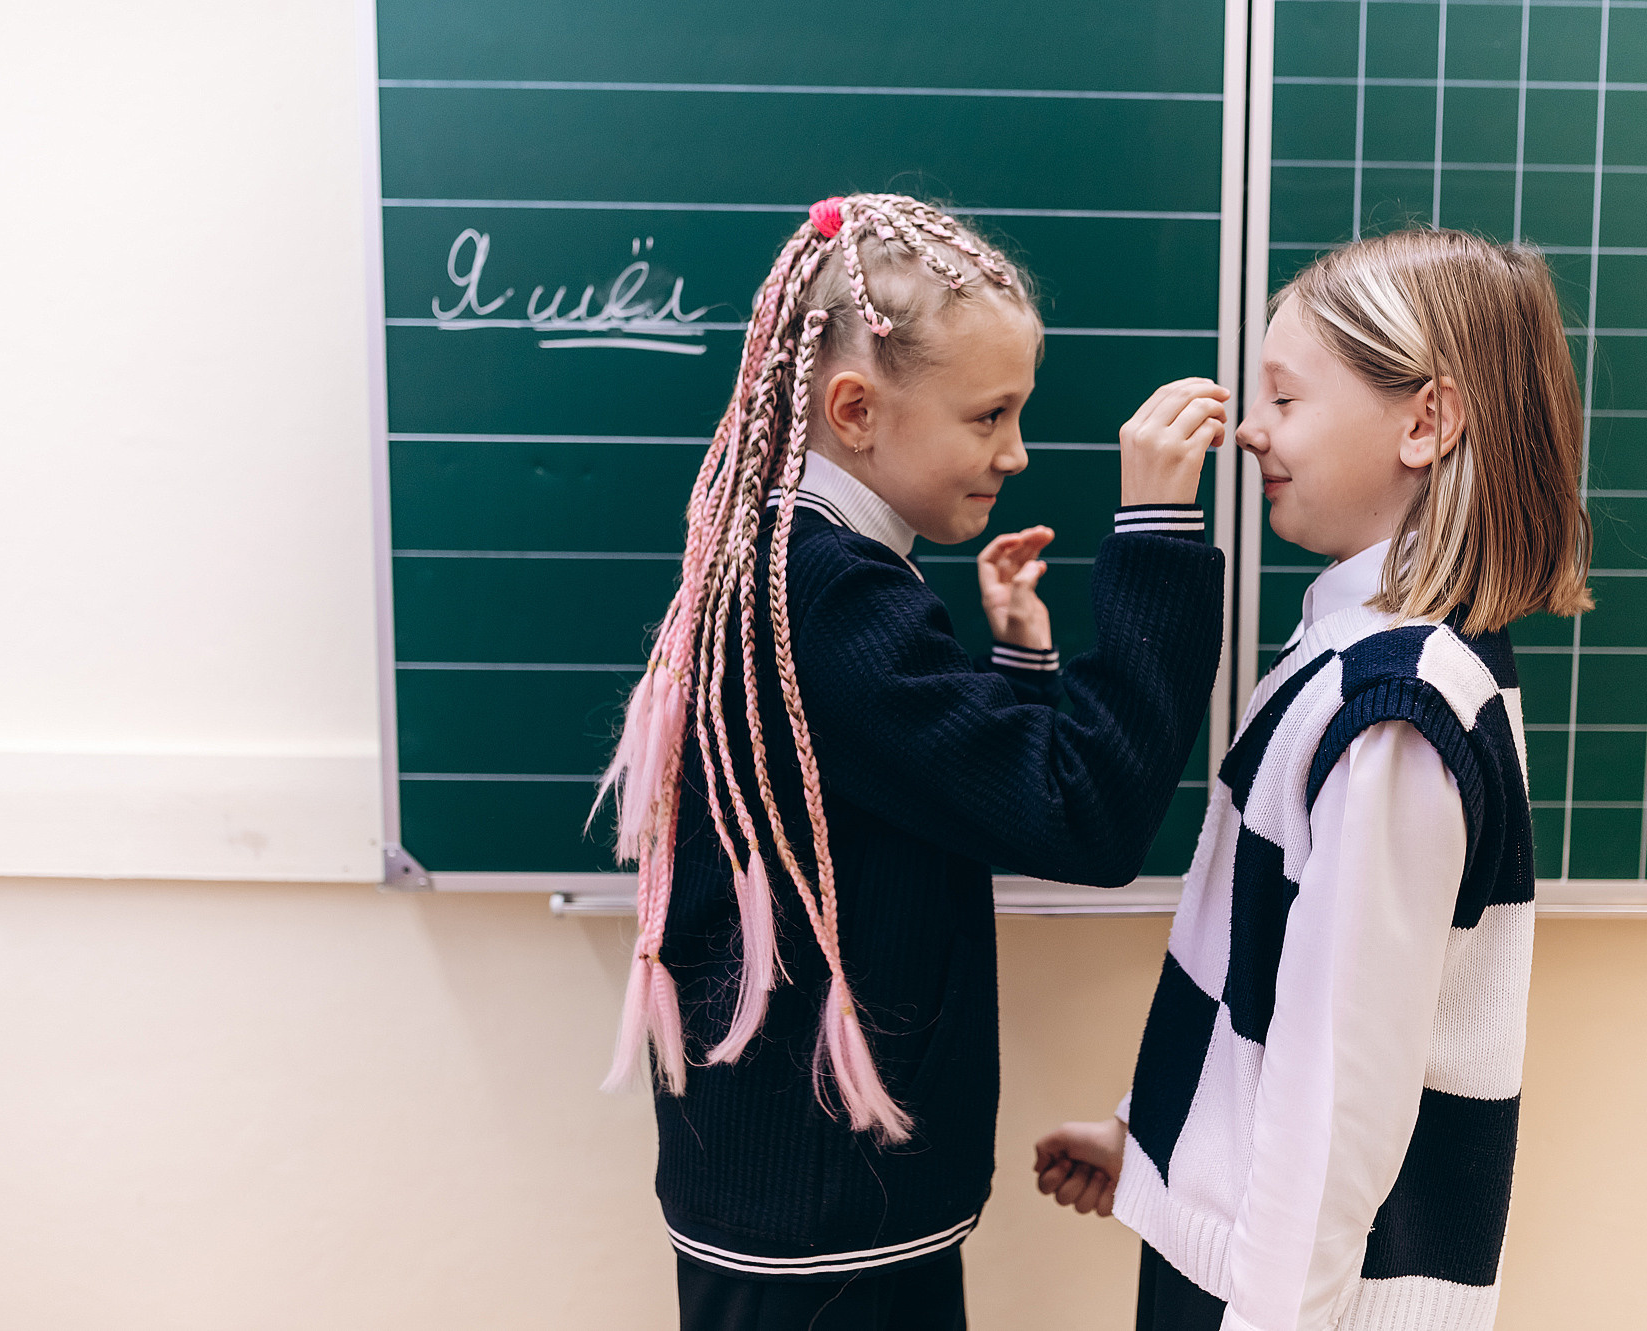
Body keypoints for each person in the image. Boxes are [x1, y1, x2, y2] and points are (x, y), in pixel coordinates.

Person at [593, 192, 1229, 1329]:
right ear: (855, 410)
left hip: (792, 1194)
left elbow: (942, 796)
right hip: (828, 1218)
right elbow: (1082, 819)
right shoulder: (836, 592)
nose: (1016, 452)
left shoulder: (789, 558)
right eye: (989, 414)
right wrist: (1157, 538)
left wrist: (1017, 664)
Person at [1032, 227, 1594, 1331]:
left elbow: (1337, 1086)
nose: (1248, 429)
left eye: (1283, 399)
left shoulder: (1396, 710)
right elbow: (1277, 979)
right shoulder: (1347, 655)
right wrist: (1161, 1133)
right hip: (1249, 1258)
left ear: (1424, 421)